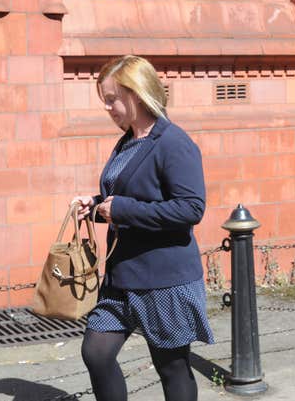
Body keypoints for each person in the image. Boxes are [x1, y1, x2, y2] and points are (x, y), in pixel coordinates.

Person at [71, 55, 213, 401]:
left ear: (136, 95)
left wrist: (121, 208)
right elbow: (131, 195)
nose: (107, 108)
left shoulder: (172, 142)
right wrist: (97, 205)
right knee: (96, 352)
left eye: (111, 99)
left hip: (163, 279)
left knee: (172, 368)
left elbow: (191, 208)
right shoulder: (128, 139)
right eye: (104, 100)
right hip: (123, 277)